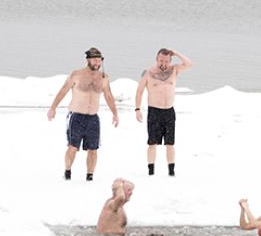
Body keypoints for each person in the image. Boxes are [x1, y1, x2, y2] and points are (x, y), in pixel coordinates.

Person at [47, 47, 119, 181]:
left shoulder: (103, 77)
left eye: (99, 60)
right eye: (94, 60)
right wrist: (53, 108)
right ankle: (67, 172)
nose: (97, 63)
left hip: (93, 118)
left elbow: (109, 96)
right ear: (88, 60)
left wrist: (115, 113)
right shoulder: (77, 74)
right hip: (76, 117)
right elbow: (63, 91)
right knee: (73, 147)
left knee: (93, 149)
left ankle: (89, 176)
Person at [133, 48, 192, 176]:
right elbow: (139, 91)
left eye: (166, 60)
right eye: (161, 60)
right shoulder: (148, 73)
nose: (163, 63)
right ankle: (151, 171)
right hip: (154, 111)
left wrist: (176, 53)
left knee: (170, 144)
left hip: (169, 111)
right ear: (156, 59)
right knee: (152, 143)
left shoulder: (174, 70)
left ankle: (171, 171)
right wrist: (137, 109)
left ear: (170, 61)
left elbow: (189, 64)